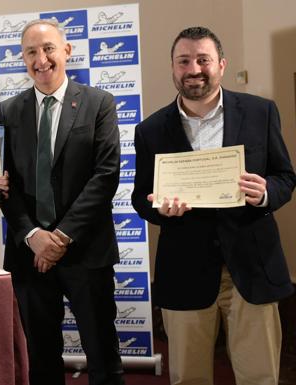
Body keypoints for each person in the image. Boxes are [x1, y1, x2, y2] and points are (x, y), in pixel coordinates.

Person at [131, 26, 296, 385]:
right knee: (188, 378)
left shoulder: (260, 112)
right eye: (184, 61)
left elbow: (285, 176)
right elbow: (140, 196)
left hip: (253, 269)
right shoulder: (150, 130)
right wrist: (158, 208)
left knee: (260, 377)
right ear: (173, 68)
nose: (194, 69)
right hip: (184, 270)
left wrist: (266, 191)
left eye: (203, 59)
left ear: (221, 64)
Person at [0, 19, 125, 385]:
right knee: (42, 362)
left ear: (66, 51)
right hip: (29, 255)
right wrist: (32, 234)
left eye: (48, 48)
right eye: (31, 52)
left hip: (87, 252)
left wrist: (61, 236)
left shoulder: (99, 103)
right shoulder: (7, 112)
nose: (41, 59)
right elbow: (6, 186)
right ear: (22, 57)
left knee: (103, 358)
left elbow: (105, 176)